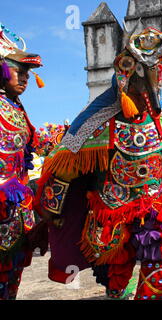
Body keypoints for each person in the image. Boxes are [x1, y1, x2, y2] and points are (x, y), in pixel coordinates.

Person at [35, 23, 162, 299]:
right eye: (143, 75)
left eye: (156, 75)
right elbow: (65, 167)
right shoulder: (97, 122)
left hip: (155, 209)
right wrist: (52, 208)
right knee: (116, 283)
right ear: (126, 74)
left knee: (158, 276)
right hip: (110, 211)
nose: (150, 86)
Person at [0, 25, 47, 299]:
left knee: (12, 272)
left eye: (29, 74)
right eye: (21, 71)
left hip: (16, 210)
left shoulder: (17, 107)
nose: (26, 79)